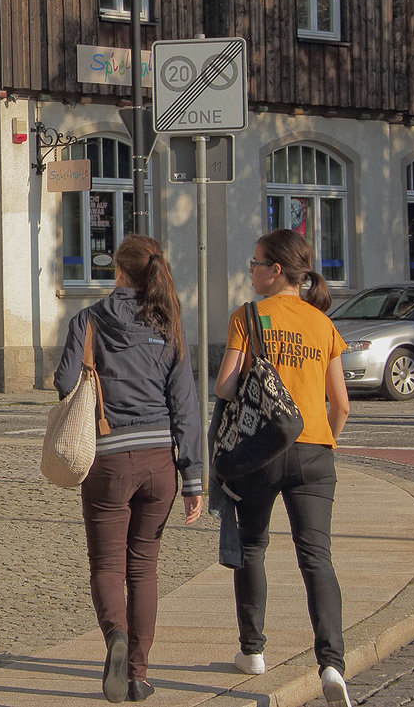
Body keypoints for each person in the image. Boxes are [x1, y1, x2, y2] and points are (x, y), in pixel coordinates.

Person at [54, 234, 203, 703]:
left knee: (106, 563)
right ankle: (137, 672)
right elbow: (187, 407)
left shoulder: (88, 320)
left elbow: (63, 383)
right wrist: (194, 479)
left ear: (117, 271)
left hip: (108, 458)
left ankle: (114, 637)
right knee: (144, 569)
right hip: (161, 464)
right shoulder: (169, 324)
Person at [214, 229, 352, 707]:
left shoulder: (247, 317)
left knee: (252, 547)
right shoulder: (322, 324)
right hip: (315, 450)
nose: (250, 271)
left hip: (260, 451)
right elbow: (343, 404)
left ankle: (252, 652)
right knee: (317, 558)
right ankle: (332, 663)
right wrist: (325, 441)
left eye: (255, 264)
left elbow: (226, 388)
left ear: (276, 271)